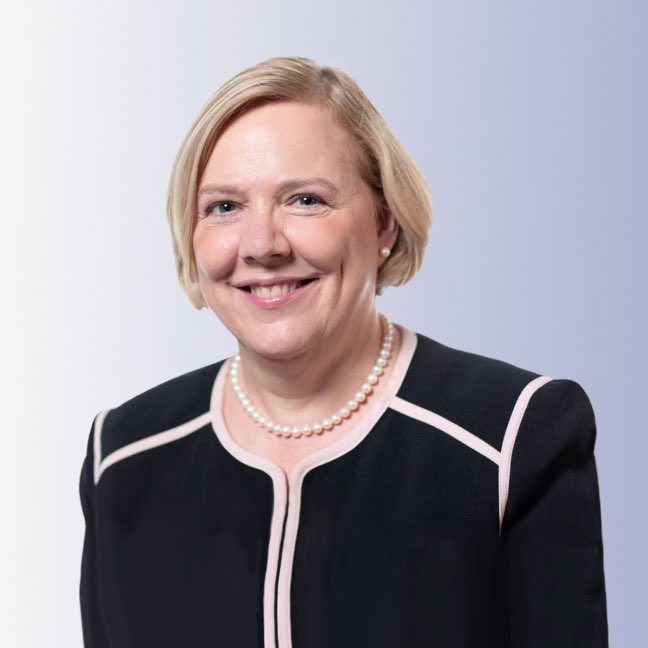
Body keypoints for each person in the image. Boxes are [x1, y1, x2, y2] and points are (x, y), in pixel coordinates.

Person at [79, 57, 608, 647]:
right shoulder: (121, 454)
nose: (262, 245)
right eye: (224, 207)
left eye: (305, 199)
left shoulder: (512, 437)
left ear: (384, 223)